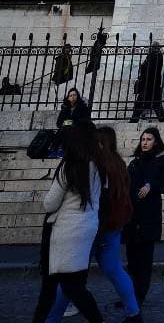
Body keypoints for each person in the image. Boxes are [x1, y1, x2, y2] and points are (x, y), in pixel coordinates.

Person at [46, 126, 141, 323]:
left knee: (71, 278)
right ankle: (134, 313)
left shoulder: (97, 164)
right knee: (114, 269)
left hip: (94, 227)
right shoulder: (119, 163)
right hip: (114, 226)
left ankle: (53, 318)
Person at [30, 122, 104, 323]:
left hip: (63, 233)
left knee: (54, 288)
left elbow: (50, 204)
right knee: (74, 286)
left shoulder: (69, 166)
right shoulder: (96, 164)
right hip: (86, 227)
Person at [124, 127, 164, 310]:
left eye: (149, 139)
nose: (144, 142)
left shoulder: (161, 161)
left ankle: (139, 296)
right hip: (132, 216)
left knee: (144, 261)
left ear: (156, 141)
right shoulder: (135, 161)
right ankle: (130, 296)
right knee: (132, 260)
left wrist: (152, 186)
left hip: (148, 216)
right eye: (143, 139)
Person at [130, 44, 164, 122]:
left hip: (149, 86)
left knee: (141, 104)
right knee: (155, 105)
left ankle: (133, 121)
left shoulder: (155, 56)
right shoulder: (155, 56)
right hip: (151, 86)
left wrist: (143, 66)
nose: (150, 49)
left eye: (152, 47)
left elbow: (148, 70)